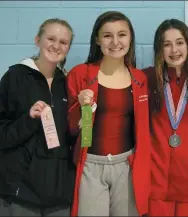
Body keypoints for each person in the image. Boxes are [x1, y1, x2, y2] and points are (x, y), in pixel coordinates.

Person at [0, 18, 76, 216]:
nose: (56, 46)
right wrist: (28, 120)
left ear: (68, 48)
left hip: (59, 194)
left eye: (63, 42)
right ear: (38, 40)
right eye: (51, 38)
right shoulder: (15, 76)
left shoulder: (67, 83)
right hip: (20, 191)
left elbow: (69, 135)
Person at [66, 11, 151, 216]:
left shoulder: (139, 78)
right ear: (97, 39)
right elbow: (70, 128)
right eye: (107, 35)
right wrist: (79, 106)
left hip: (127, 167)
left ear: (130, 38)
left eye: (122, 34)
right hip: (91, 167)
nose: (115, 42)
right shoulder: (80, 74)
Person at [142, 19, 188, 216]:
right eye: (167, 44)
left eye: (180, 42)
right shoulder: (146, 78)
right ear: (159, 49)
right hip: (155, 179)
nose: (174, 50)